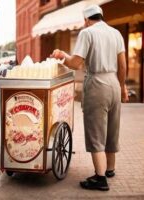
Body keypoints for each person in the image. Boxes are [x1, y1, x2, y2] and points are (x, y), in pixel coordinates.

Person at [51, 5, 129, 191]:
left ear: (86, 19)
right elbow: (123, 65)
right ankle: (110, 169)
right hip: (114, 83)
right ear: (101, 16)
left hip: (97, 83)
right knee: (112, 129)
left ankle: (100, 178)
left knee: (96, 132)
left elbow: (76, 64)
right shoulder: (116, 33)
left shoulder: (87, 33)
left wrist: (63, 55)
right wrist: (123, 86)